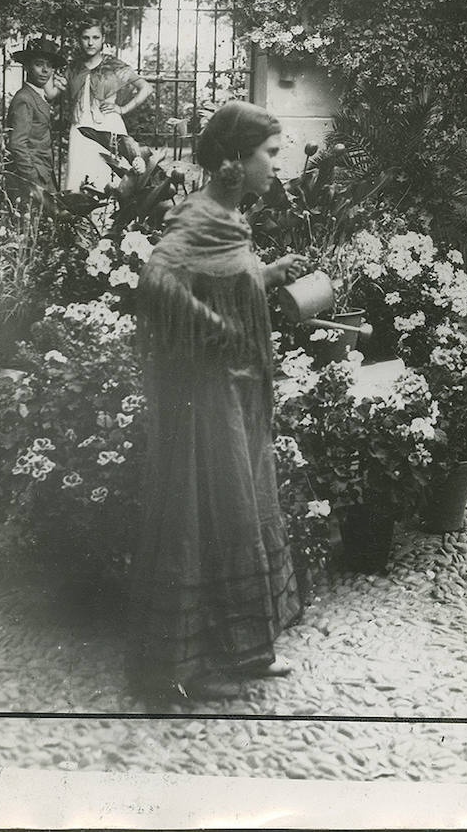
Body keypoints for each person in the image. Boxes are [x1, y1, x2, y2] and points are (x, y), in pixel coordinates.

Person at [127, 100, 309, 708]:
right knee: (202, 512)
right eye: (271, 156)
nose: (276, 169)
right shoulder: (199, 217)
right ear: (234, 160)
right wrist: (212, 327)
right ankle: (177, 666)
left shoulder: (228, 221)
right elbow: (158, 281)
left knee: (241, 503)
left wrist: (270, 273)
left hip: (234, 390)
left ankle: (242, 647)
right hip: (201, 397)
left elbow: (226, 276)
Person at [60, 15, 151, 192]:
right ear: (79, 40)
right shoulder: (73, 68)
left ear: (103, 39)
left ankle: (107, 220)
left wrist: (123, 109)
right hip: (80, 127)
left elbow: (145, 88)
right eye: (85, 38)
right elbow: (54, 91)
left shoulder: (114, 66)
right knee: (78, 178)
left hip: (108, 126)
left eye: (95, 37)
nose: (90, 43)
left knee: (107, 177)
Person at [4, 36, 65, 208]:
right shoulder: (24, 98)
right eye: (39, 64)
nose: (45, 70)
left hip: (44, 175)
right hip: (33, 178)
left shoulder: (37, 96)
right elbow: (17, 144)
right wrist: (33, 179)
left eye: (49, 65)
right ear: (27, 66)